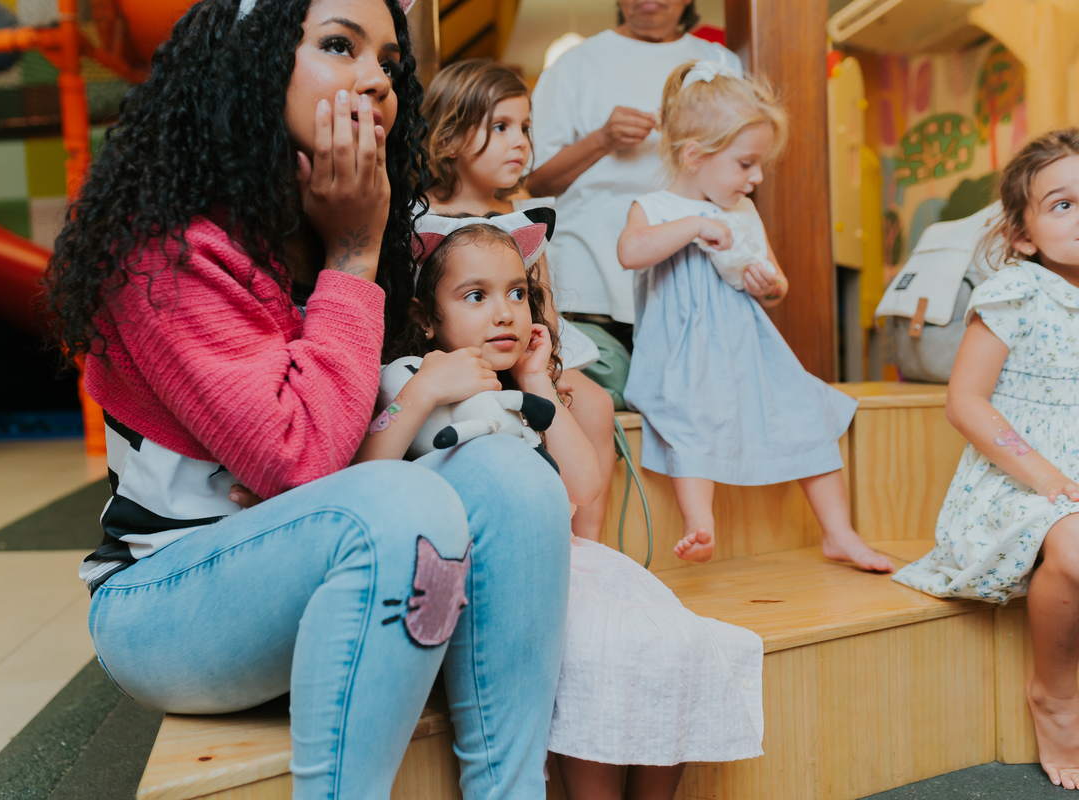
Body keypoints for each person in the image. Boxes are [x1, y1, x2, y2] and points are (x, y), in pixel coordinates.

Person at [43, 0, 571, 796]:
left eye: (389, 63)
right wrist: (353, 256)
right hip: (165, 601)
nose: (375, 81)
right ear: (249, 61)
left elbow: (350, 443)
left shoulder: (343, 225)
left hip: (328, 559)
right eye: (337, 46)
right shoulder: (166, 250)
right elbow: (306, 462)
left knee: (515, 480)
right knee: (395, 510)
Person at [363, 211, 764, 800]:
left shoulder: (524, 393)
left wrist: (537, 380)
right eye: (476, 296)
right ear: (427, 318)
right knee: (596, 657)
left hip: (560, 560)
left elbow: (584, 490)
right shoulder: (409, 377)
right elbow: (368, 474)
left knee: (674, 645)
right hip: (483, 578)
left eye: (517, 294)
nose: (504, 312)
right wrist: (425, 391)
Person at [617, 60, 892, 573]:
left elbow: (770, 277)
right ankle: (700, 523)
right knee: (690, 420)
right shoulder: (655, 207)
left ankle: (839, 533)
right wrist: (696, 224)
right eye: (746, 164)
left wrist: (771, 287)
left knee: (807, 408)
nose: (757, 177)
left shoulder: (743, 212)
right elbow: (631, 252)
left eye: (759, 164)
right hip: (683, 360)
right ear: (694, 156)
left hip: (746, 352)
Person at [893, 129, 1079, 790]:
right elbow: (967, 403)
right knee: (1076, 544)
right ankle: (1056, 696)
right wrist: (1051, 481)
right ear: (1024, 233)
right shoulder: (1015, 293)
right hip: (1019, 482)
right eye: (1063, 204)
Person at [420, 59, 616, 541]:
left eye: (525, 128)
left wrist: (544, 363)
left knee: (594, 402)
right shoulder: (420, 215)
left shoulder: (524, 216)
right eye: (501, 127)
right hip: (452, 351)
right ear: (449, 133)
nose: (521, 142)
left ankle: (588, 542)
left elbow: (541, 307)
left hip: (523, 347)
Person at [526, 0, 736, 347]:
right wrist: (602, 139)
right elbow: (536, 182)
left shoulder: (720, 63)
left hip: (690, 274)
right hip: (591, 283)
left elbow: (742, 162)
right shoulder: (575, 64)